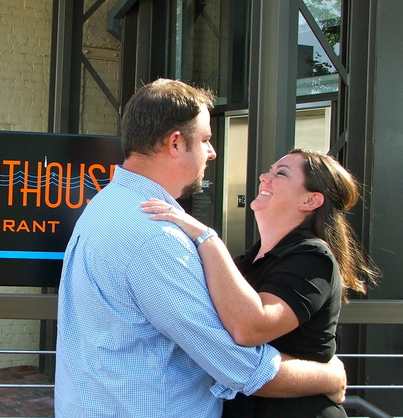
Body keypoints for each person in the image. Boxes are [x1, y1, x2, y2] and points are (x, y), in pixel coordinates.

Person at [55, 79, 346, 418]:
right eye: (206, 139)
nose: (212, 152)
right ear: (176, 143)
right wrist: (329, 376)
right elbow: (238, 365)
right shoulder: (155, 236)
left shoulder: (106, 204)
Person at [142, 148, 380, 417]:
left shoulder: (313, 257)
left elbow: (251, 328)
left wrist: (206, 237)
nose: (264, 177)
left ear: (311, 200)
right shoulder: (249, 260)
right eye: (270, 170)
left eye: (281, 174)